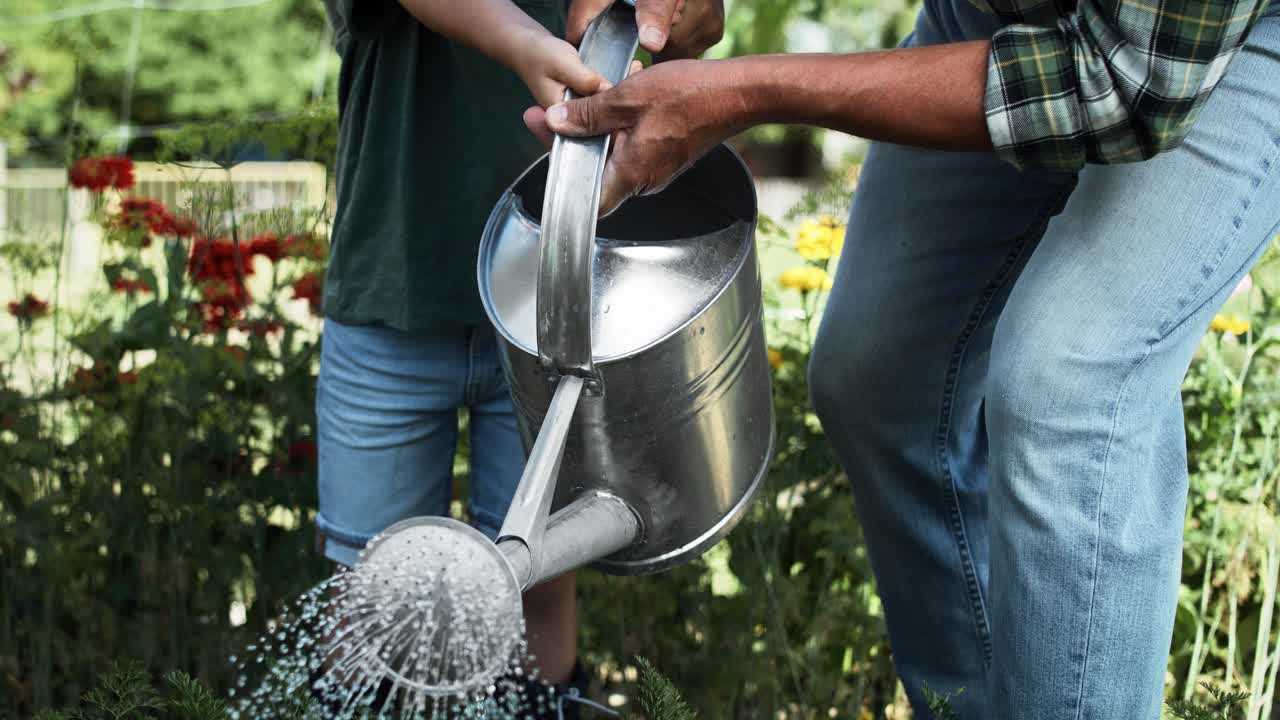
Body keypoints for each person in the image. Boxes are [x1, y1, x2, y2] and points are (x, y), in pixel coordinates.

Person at [527, 0, 1280, 715]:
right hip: (1007, 12)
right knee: (878, 376)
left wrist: (749, 92)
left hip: (1192, 57)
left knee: (1066, 385)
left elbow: (1119, 87)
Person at [315, 0, 722, 715]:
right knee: (372, 590)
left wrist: (677, 19)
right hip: (392, 309)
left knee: (539, 576)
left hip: (552, 316)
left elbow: (695, 27)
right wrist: (526, 43)